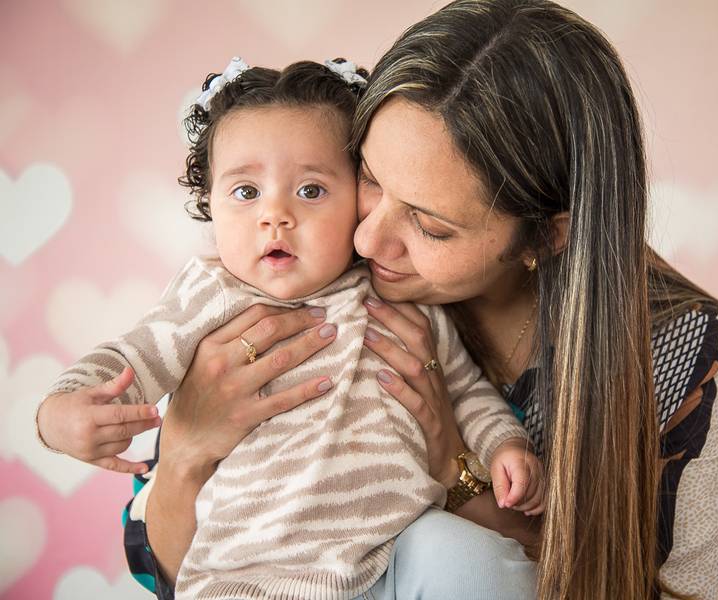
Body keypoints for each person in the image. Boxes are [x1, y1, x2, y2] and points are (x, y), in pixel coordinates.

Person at [112, 0, 718, 598]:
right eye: (369, 177)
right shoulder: (300, 282)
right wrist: (187, 451)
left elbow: (663, 589)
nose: (367, 239)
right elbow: (160, 570)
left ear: (547, 234)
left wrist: (456, 465)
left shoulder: (674, 355)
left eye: (430, 226)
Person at [35, 56, 543, 600]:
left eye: (311, 190)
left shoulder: (402, 304)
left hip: (394, 549)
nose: (275, 215)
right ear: (209, 204)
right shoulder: (208, 298)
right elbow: (129, 360)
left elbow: (466, 392)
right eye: (246, 192)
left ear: (358, 200)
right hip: (253, 572)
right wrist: (60, 413)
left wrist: (504, 446)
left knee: (476, 562)